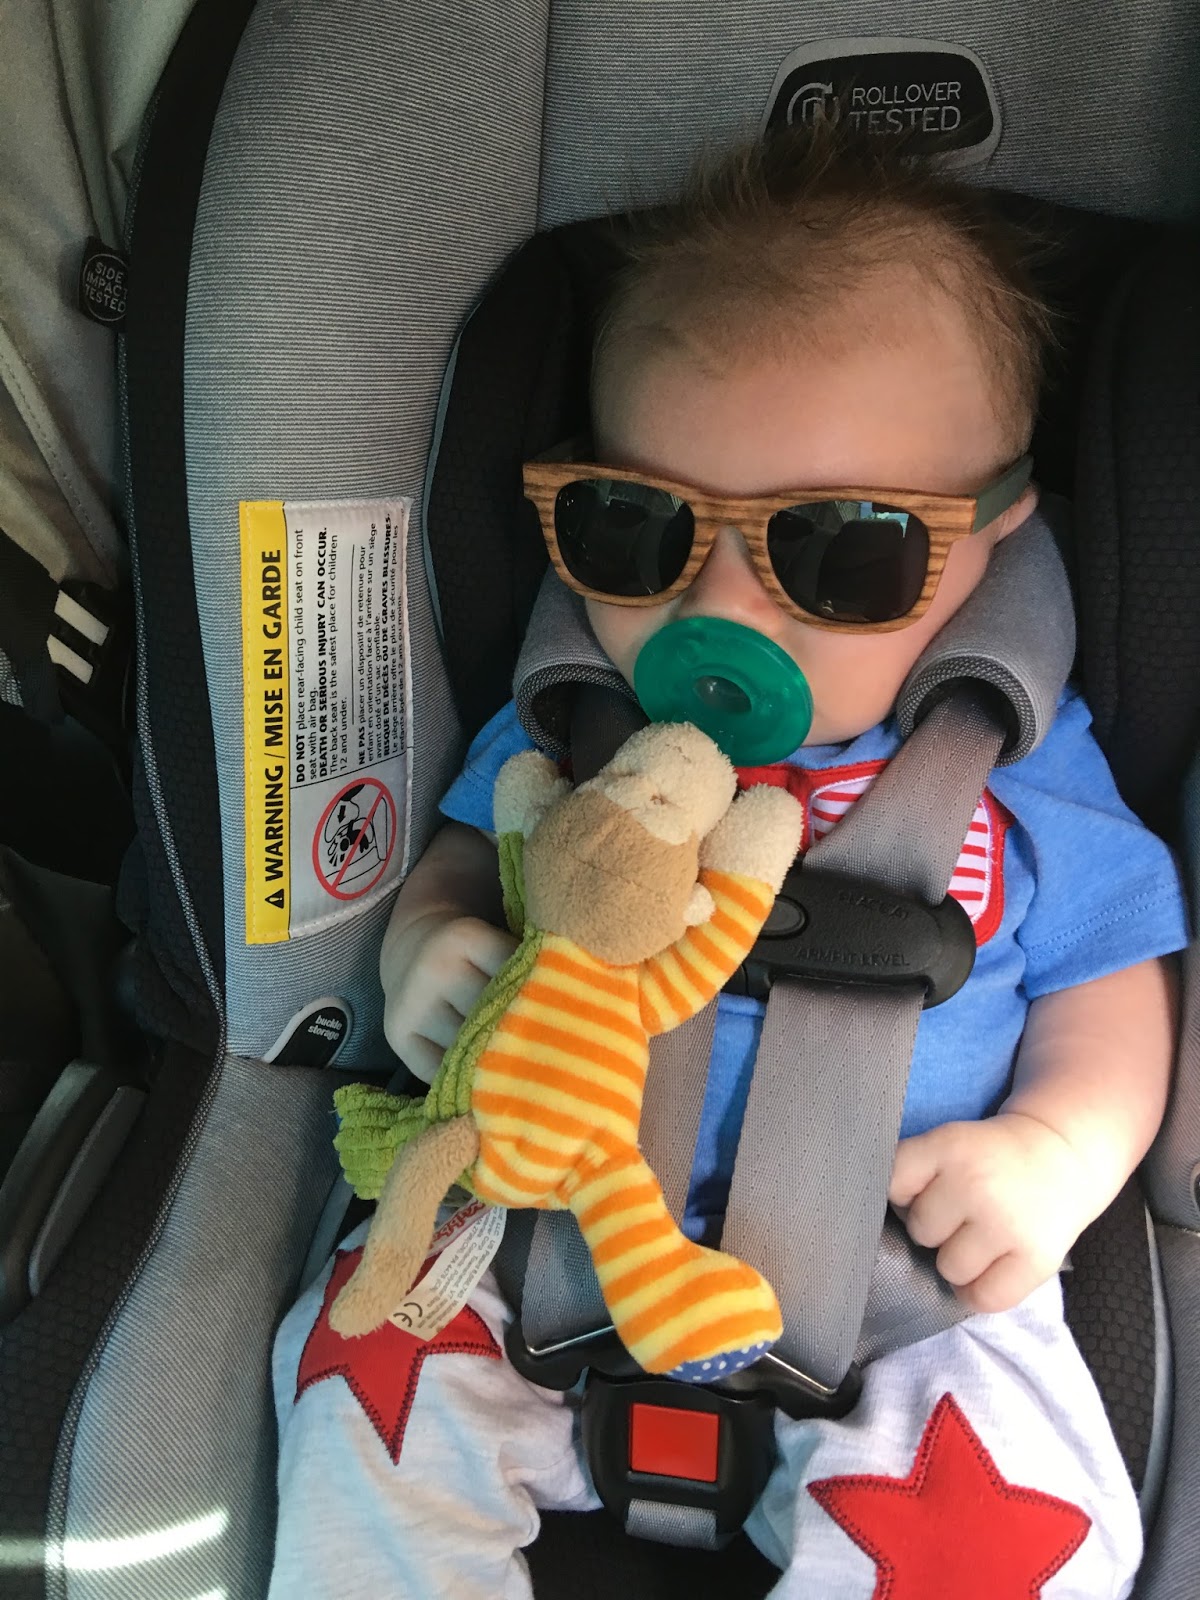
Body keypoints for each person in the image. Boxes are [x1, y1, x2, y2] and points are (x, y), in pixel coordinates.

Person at [268, 126, 1188, 1599]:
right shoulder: (573, 720)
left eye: (843, 554)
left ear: (997, 534)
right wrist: (426, 936)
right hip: (537, 1224)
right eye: (635, 528)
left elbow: (1111, 973)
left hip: (903, 1282)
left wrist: (1057, 1155)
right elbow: (462, 859)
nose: (723, 609)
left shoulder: (1013, 754)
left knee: (1004, 1527)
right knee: (363, 1370)